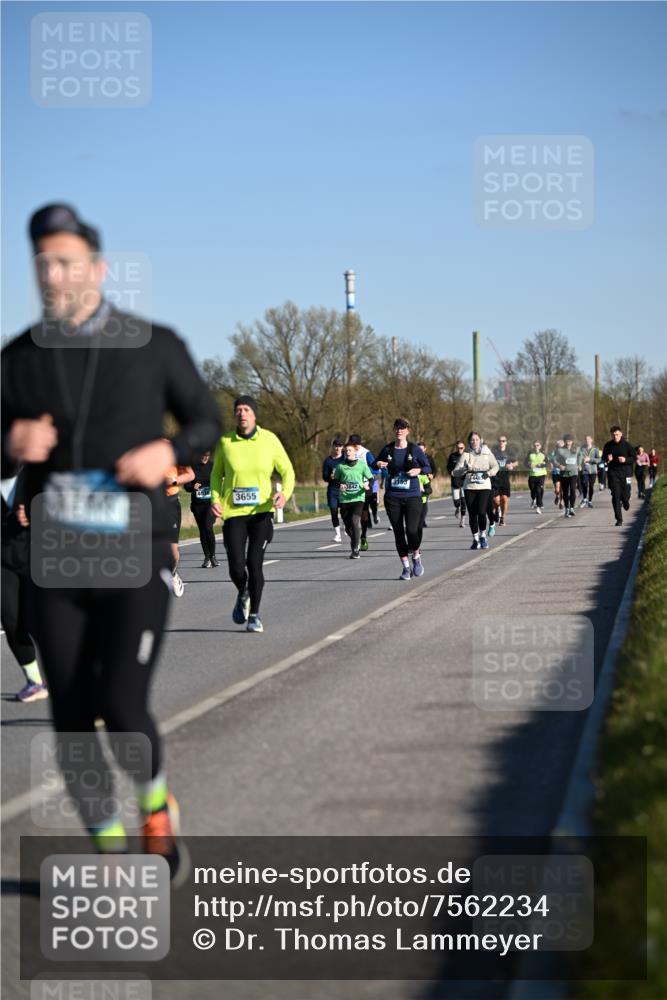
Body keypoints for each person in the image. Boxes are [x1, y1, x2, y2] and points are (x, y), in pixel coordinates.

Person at [1, 203, 222, 879]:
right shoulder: (18, 360)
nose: (54, 275)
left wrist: (168, 450)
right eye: (43, 264)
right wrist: (10, 445)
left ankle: (155, 813)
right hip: (57, 560)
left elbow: (206, 421)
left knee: (121, 707)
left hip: (134, 549)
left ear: (96, 268)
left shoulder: (154, 346)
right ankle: (107, 851)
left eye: (67, 262)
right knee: (70, 721)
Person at [211, 395, 295, 633]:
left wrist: (284, 494)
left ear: (254, 414)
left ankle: (255, 615)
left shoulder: (269, 440)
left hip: (261, 513)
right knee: (236, 566)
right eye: (238, 410)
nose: (242, 413)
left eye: (246, 409)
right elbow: (216, 476)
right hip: (234, 513)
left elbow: (287, 471)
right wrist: (214, 499)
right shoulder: (225, 442)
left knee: (254, 563)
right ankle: (243, 591)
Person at [1, 472, 48, 701]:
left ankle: (78, 680)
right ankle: (34, 681)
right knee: (11, 619)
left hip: (39, 553)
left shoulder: (35, 467)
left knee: (45, 622)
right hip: (3, 559)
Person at [375, 417, 431, 580]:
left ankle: (416, 555)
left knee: (412, 530)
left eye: (403, 428)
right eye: (397, 428)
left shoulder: (414, 449)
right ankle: (406, 568)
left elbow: (427, 467)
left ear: (408, 431)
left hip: (412, 496)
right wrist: (378, 464)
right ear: (394, 430)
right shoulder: (388, 449)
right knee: (398, 532)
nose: (399, 430)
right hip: (393, 497)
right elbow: (374, 464)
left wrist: (418, 471)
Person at [454, 431, 499, 549]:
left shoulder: (487, 453)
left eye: (477, 440)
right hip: (469, 487)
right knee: (472, 514)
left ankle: (483, 536)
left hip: (484, 486)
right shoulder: (465, 454)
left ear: (480, 441)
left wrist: (489, 473)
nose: (474, 442)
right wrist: (464, 469)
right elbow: (455, 472)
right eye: (472, 440)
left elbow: (496, 466)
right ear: (469, 442)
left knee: (481, 512)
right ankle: (475, 539)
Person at [331, 441, 374, 558]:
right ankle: (355, 540)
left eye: (350, 450)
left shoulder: (362, 465)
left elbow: (371, 478)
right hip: (345, 500)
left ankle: (355, 550)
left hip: (358, 498)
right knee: (348, 528)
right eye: (346, 451)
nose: (347, 452)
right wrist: (340, 485)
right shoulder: (340, 466)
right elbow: (335, 480)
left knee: (355, 521)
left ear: (355, 452)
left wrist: (367, 485)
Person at [164, 458, 194, 594]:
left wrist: (173, 481)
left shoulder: (172, 449)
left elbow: (190, 474)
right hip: (147, 502)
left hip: (169, 504)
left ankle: (173, 573)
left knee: (173, 552)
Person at [184, 450, 218, 567]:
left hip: (210, 503)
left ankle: (213, 556)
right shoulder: (192, 467)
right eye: (203, 455)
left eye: (208, 456)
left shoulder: (213, 465)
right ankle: (207, 557)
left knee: (208, 527)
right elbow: (186, 486)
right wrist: (192, 486)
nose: (205, 458)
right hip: (197, 504)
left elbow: (220, 479)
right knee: (203, 530)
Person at [601, 425, 636, 526]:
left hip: (626, 473)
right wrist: (608, 459)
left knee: (625, 494)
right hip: (613, 473)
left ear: (621, 434)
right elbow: (603, 459)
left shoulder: (627, 445)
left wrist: (625, 460)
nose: (615, 436)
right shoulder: (608, 445)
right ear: (611, 435)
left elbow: (634, 457)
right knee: (616, 495)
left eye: (617, 434)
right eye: (613, 435)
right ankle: (619, 519)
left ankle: (625, 501)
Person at [348, 434, 376, 551]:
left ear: (359, 444)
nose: (353, 446)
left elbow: (375, 467)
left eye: (355, 445)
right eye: (351, 444)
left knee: (363, 514)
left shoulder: (366, 453)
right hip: (350, 489)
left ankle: (363, 536)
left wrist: (367, 477)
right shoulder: (348, 452)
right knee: (351, 517)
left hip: (364, 488)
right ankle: (354, 536)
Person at [491, 435, 518, 526]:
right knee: (496, 500)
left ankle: (502, 518)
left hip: (505, 478)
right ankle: (497, 509)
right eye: (500, 441)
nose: (501, 442)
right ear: (498, 442)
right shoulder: (494, 452)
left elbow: (516, 462)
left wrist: (511, 465)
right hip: (495, 478)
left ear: (506, 442)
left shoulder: (509, 452)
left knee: (504, 499)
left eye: (503, 441)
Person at [322, 437, 344, 541]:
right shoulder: (328, 461)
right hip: (332, 489)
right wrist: (329, 476)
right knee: (333, 511)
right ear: (332, 447)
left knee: (345, 512)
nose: (337, 448)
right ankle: (338, 534)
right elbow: (324, 476)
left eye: (339, 446)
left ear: (342, 447)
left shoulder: (345, 459)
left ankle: (348, 528)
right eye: (335, 446)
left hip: (344, 489)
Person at [555, 435, 580, 518]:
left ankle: (572, 508)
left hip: (574, 472)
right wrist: (559, 465)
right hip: (564, 473)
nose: (568, 442)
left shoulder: (576, 449)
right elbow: (554, 459)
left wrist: (579, 464)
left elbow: (580, 456)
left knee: (572, 490)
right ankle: (567, 509)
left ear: (572, 441)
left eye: (570, 441)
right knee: (565, 492)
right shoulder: (560, 450)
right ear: (565, 441)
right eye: (567, 441)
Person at [447, 440, 467, 527]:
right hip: (455, 482)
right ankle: (457, 508)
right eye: (458, 448)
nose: (460, 449)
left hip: (465, 482)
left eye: (461, 448)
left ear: (464, 448)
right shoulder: (452, 456)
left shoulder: (467, 456)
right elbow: (448, 467)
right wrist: (450, 471)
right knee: (456, 502)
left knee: (464, 501)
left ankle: (462, 520)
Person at [416, 442, 436, 527]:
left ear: (425, 449)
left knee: (424, 500)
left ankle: (422, 519)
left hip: (425, 480)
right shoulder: (413, 457)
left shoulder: (429, 458)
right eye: (418, 449)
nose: (420, 450)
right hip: (415, 479)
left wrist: (432, 475)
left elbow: (434, 469)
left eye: (421, 449)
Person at [577, 436, 600, 508]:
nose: (587, 440)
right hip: (585, 470)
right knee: (584, 484)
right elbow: (579, 457)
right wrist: (579, 464)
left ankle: (590, 501)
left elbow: (599, 459)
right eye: (586, 439)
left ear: (591, 440)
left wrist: (590, 459)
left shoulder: (595, 449)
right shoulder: (582, 449)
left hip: (593, 470)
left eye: (588, 439)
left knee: (591, 486)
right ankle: (584, 499)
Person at [526, 441, 547, 513]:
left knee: (538, 490)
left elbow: (547, 463)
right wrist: (529, 465)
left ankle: (538, 506)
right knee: (532, 490)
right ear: (533, 446)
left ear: (540, 446)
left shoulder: (543, 454)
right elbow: (525, 463)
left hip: (541, 475)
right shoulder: (530, 454)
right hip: (532, 475)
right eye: (534, 445)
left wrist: (540, 465)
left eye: (537, 445)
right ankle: (534, 499)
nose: (536, 447)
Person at [548, 440, 564, 507]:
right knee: (557, 489)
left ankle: (561, 502)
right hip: (555, 472)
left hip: (563, 472)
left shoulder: (565, 452)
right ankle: (557, 496)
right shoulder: (553, 452)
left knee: (562, 488)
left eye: (561, 446)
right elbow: (550, 460)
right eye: (558, 446)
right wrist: (551, 464)